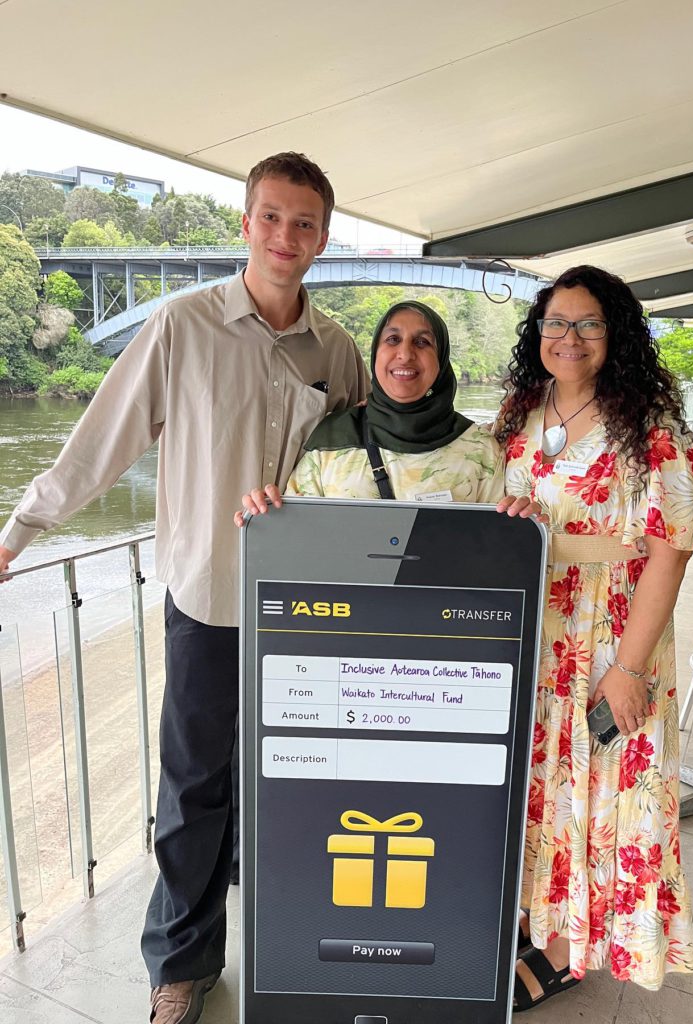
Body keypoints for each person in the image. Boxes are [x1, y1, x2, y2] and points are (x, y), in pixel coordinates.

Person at [0, 153, 369, 1024]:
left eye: (304, 222)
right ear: (246, 223)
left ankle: (297, 944)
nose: (286, 236)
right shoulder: (181, 326)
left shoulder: (342, 350)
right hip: (210, 601)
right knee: (194, 789)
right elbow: (99, 446)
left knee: (302, 784)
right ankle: (182, 965)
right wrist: (19, 533)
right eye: (271, 217)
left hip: (313, 612)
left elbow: (368, 470)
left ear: (322, 238)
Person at [497, 265, 693, 1009]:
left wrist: (626, 667)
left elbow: (671, 549)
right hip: (535, 634)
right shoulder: (520, 412)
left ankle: (564, 953)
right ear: (537, 333)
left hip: (611, 637)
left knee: (602, 792)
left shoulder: (651, 424)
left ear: (614, 332)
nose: (569, 337)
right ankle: (544, 920)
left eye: (588, 323)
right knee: (544, 791)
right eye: (555, 322)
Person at [237, 299, 538, 515]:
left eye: (423, 342)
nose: (405, 354)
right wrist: (264, 515)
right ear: (375, 353)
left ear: (441, 360)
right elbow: (296, 537)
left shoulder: (478, 449)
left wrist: (522, 519)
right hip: (346, 605)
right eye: (393, 339)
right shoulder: (331, 440)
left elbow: (493, 549)